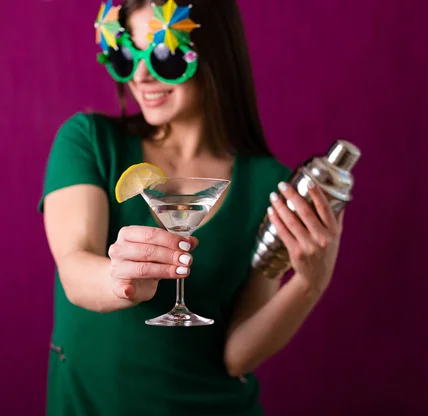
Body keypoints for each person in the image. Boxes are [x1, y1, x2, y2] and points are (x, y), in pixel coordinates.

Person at [38, 0, 345, 414]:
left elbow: (237, 355)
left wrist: (311, 283)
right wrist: (122, 278)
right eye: (126, 54)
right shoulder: (89, 141)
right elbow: (75, 269)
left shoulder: (268, 183)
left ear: (215, 53)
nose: (141, 75)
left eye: (164, 55)